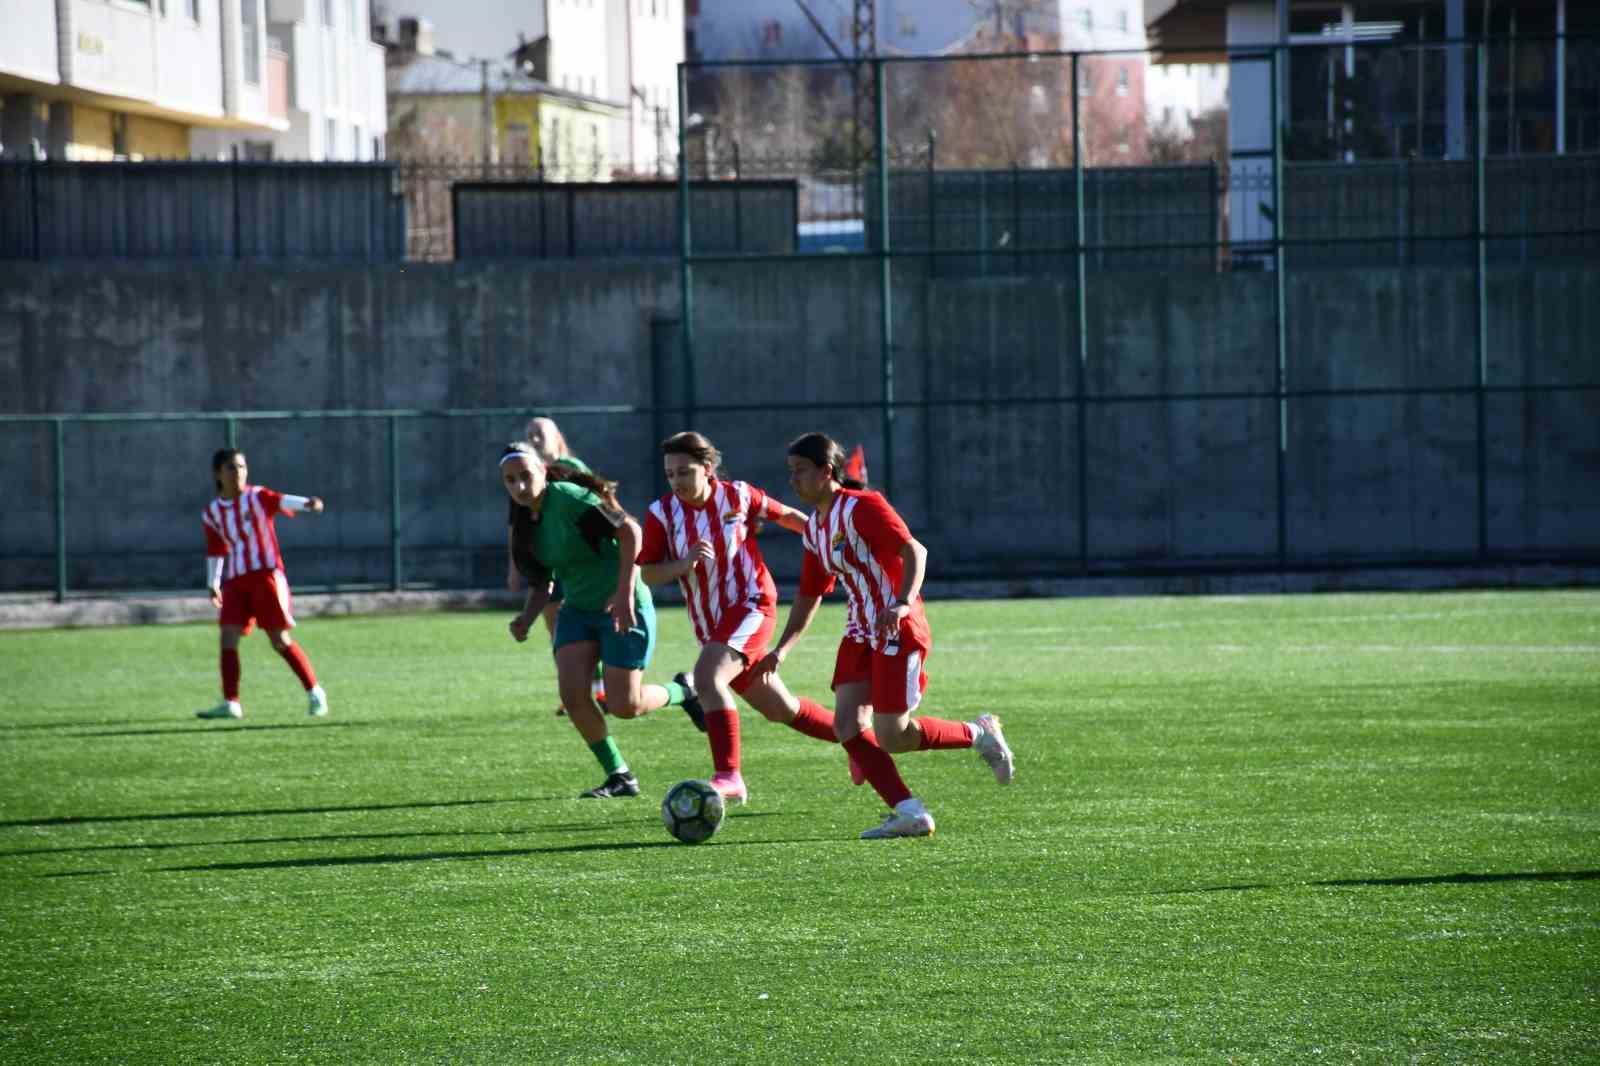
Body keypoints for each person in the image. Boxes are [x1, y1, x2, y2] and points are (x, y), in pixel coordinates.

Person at [753, 432, 1015, 839]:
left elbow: (916, 552)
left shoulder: (864, 506)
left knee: (893, 735)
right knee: (848, 726)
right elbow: (809, 594)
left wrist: (903, 602)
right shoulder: (815, 530)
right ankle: (909, 812)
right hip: (860, 631)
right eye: (791, 472)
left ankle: (979, 733)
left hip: (897, 627)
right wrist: (782, 649)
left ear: (826, 472)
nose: (793, 480)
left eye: (800, 471)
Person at [637, 431, 893, 806]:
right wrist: (682, 563)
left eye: (685, 472)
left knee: (707, 678)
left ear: (708, 469)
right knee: (781, 709)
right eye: (670, 474)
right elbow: (649, 573)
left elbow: (787, 516)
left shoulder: (738, 495)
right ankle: (861, 744)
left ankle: (729, 776)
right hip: (712, 625)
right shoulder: (661, 513)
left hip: (752, 605)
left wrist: (826, 539)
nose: (677, 482)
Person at [499, 441, 704, 798]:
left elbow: (630, 532)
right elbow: (543, 580)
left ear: (543, 472)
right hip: (578, 611)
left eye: (525, 476)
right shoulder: (523, 520)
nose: (518, 486)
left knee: (626, 706)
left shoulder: (569, 497)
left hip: (621, 605)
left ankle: (683, 690)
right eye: (510, 480)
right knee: (574, 694)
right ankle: (620, 775)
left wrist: (625, 593)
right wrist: (527, 618)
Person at [502, 416, 622, 718]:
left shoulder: (572, 475)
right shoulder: (520, 476)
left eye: (540, 434)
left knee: (591, 627)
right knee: (557, 625)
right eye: (529, 434)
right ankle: (576, 690)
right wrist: (515, 567)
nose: (534, 439)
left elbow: (614, 514)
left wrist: (624, 576)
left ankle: (601, 689)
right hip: (554, 565)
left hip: (588, 570)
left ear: (557, 438)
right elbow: (516, 527)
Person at [196, 449, 329, 721]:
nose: (239, 473)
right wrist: (214, 582)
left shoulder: (257, 497)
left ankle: (315, 692)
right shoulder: (212, 513)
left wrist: (308, 503)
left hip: (265, 577)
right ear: (218, 474)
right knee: (227, 637)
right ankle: (231, 702)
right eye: (232, 468)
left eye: (242, 467)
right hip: (236, 581)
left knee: (279, 640)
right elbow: (216, 549)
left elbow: (281, 501)